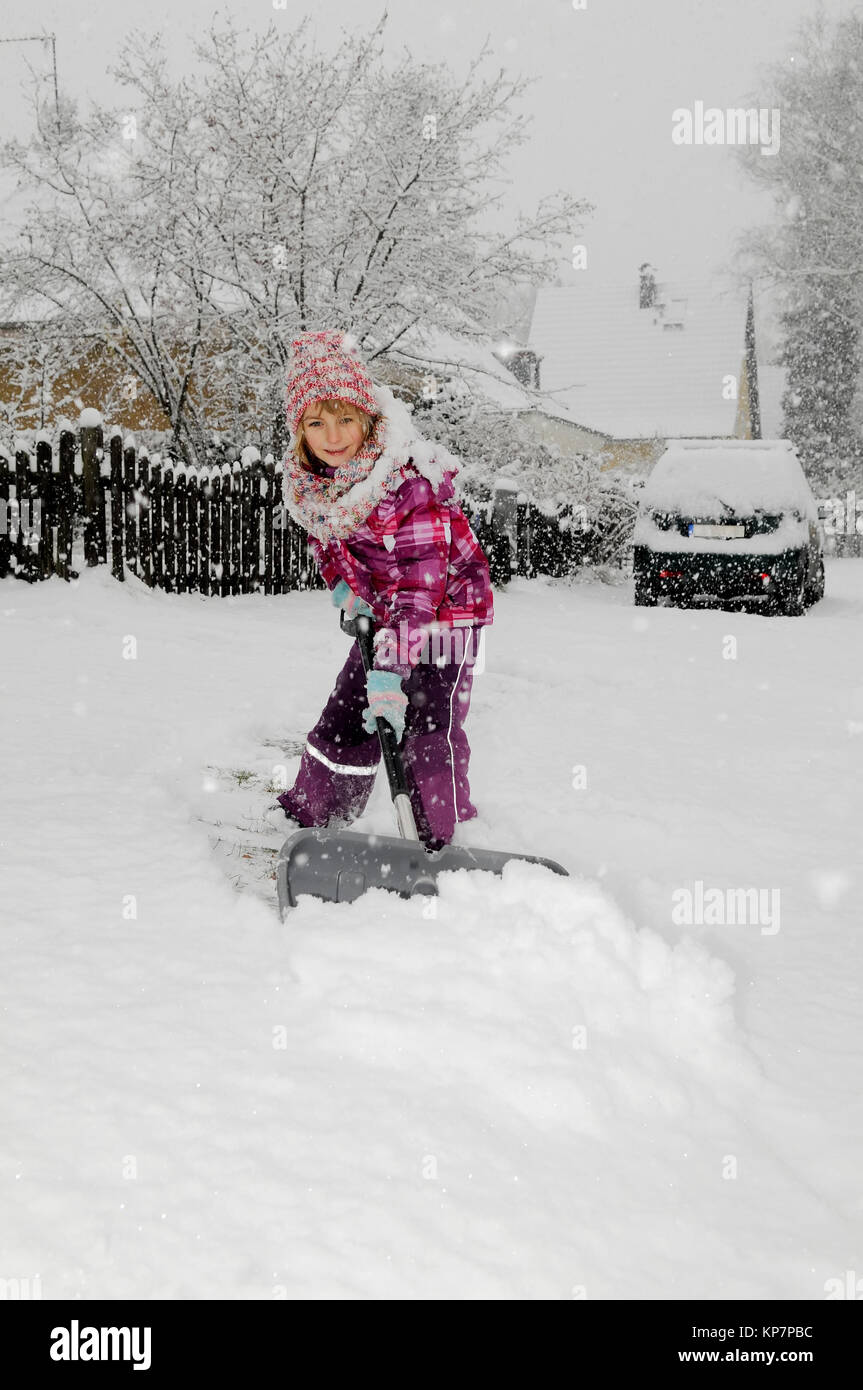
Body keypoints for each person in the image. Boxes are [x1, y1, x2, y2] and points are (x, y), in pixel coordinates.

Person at [274, 329, 494, 851]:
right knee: (349, 710)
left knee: (424, 725)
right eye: (316, 422)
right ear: (299, 430)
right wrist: (343, 589)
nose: (332, 435)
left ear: (370, 417)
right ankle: (318, 816)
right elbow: (328, 544)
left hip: (445, 615)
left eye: (345, 418)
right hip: (383, 613)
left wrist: (391, 674)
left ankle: (436, 837)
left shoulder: (407, 484)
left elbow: (421, 592)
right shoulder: (316, 485)